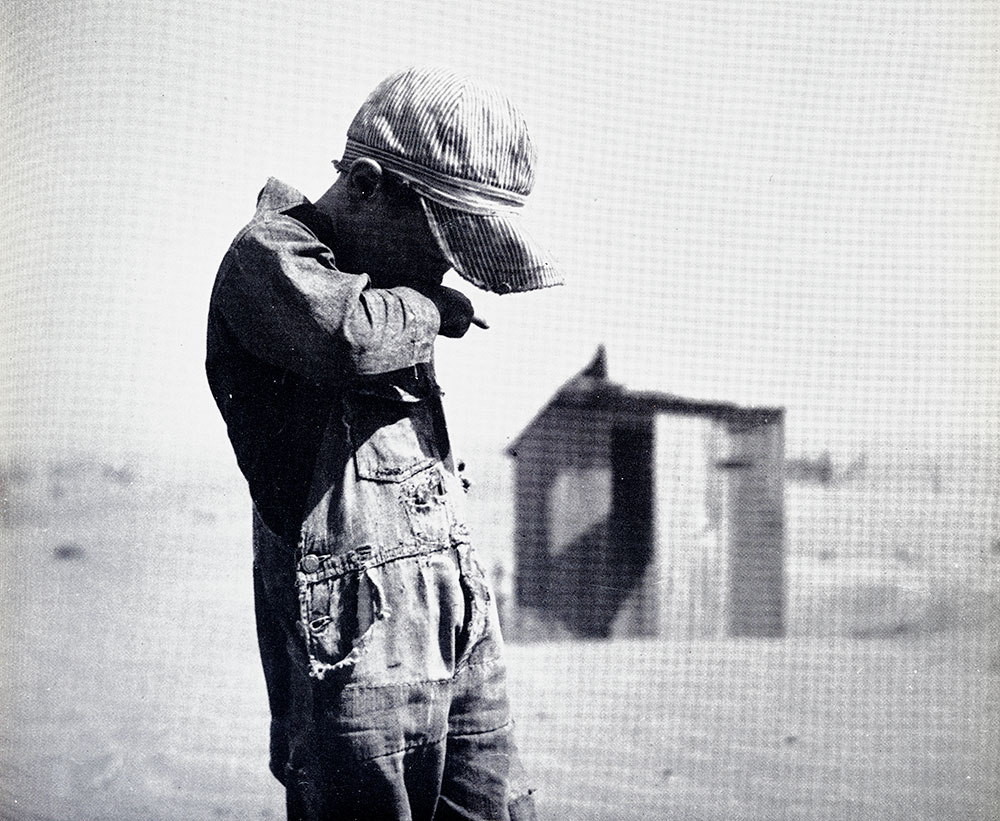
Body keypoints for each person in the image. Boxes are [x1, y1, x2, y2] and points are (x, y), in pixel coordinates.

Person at [205, 66, 562, 821]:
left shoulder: (382, 285)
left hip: (452, 609)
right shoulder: (268, 256)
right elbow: (351, 337)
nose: (442, 270)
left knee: (496, 804)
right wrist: (434, 306)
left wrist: (425, 303)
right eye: (439, 242)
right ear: (365, 183)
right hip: (353, 641)